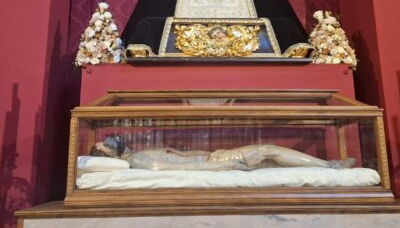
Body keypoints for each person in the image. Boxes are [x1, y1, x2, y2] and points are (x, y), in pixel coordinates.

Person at [90, 136, 355, 172]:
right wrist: (226, 166)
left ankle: (327, 167)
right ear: (107, 155)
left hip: (215, 156)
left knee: (270, 157)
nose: (108, 139)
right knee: (268, 150)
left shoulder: (138, 153)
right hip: (217, 161)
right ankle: (330, 166)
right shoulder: (137, 160)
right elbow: (185, 170)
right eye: (104, 144)